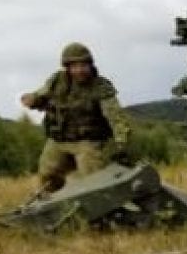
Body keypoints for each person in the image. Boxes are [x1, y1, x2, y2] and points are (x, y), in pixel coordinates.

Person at [20, 42, 132, 195]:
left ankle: (100, 213)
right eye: (74, 66)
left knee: (94, 182)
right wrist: (32, 100)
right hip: (59, 141)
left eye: (83, 65)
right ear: (67, 67)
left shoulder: (100, 87)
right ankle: (49, 207)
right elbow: (41, 95)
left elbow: (116, 118)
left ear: (89, 65)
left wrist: (122, 143)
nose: (79, 70)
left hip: (88, 142)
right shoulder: (57, 80)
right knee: (47, 176)